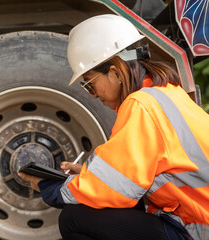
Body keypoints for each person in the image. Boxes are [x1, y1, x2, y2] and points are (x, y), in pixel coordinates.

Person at [19, 14, 209, 240]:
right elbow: (132, 176)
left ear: (116, 72)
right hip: (199, 220)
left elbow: (118, 189)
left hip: (198, 228)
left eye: (89, 83)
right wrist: (89, 177)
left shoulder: (140, 105)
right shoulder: (166, 93)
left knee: (73, 219)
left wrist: (49, 187)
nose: (94, 94)